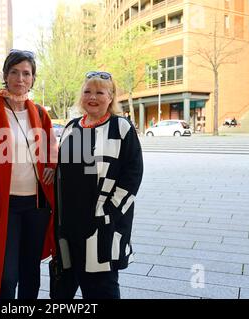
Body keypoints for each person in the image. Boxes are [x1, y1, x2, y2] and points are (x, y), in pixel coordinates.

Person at [52, 71, 144, 299]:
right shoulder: (72, 127)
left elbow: (132, 175)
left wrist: (109, 212)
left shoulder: (121, 128)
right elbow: (68, 172)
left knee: (102, 288)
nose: (92, 97)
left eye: (100, 92)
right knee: (62, 288)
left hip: (102, 226)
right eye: (87, 91)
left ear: (111, 97)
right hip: (69, 227)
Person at [0, 49, 58, 299]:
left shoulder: (41, 113)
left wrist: (52, 168)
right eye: (14, 72)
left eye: (26, 73)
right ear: (5, 75)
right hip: (5, 205)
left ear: (33, 78)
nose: (20, 79)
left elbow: (51, 150)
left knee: (31, 272)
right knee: (6, 274)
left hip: (36, 205)